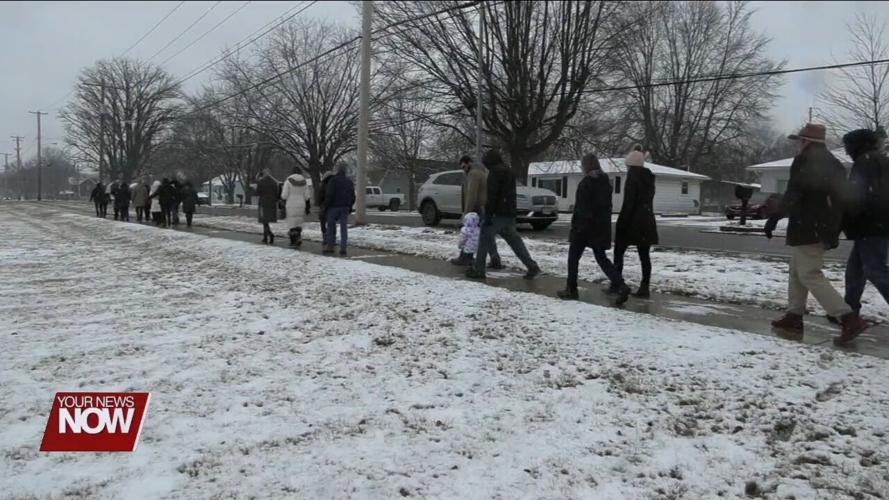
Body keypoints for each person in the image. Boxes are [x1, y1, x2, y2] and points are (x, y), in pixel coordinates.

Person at [764, 123, 867, 340]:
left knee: (809, 273)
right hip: (823, 226)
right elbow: (840, 198)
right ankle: (794, 315)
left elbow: (795, 192)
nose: (797, 145)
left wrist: (775, 216)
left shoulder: (806, 160)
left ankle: (848, 318)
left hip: (808, 226)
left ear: (806, 142)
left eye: (799, 141)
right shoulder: (835, 164)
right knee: (796, 271)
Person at [833, 128, 889, 345]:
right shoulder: (882, 160)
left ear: (856, 145)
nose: (846, 151)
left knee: (875, 271)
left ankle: (851, 318)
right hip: (877, 225)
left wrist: (842, 221)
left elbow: (856, 197)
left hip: (871, 226)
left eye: (848, 146)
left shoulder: (865, 162)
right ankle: (850, 319)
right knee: (854, 272)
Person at [557, 153, 631, 304]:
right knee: (601, 258)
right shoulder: (605, 182)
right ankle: (621, 285)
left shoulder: (586, 184)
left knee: (573, 258)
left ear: (586, 166)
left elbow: (583, 209)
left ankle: (571, 288)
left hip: (584, 228)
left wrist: (578, 226)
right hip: (600, 226)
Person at [466, 149, 541, 280]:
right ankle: (532, 266)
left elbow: (493, 195)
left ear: (490, 161)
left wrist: (489, 214)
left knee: (484, 236)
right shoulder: (509, 171)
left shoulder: (495, 173)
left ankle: (479, 269)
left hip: (498, 213)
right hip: (509, 212)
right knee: (514, 240)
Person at [614, 145, 658, 298]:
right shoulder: (649, 178)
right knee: (644, 255)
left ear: (630, 165)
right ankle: (645, 286)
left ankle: (617, 283)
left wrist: (621, 223)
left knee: (619, 250)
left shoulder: (632, 177)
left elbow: (629, 202)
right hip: (647, 221)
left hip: (632, 222)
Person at [450, 155, 501, 267]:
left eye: (464, 166)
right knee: (486, 234)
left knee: (469, 233)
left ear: (468, 163)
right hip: (485, 207)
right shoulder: (484, 172)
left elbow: (471, 194)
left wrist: (466, 212)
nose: (463, 169)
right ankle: (495, 259)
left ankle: (465, 257)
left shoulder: (474, 174)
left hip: (477, 208)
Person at [323, 165, 355, 255]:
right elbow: (353, 196)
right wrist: (349, 206)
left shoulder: (333, 181)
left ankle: (330, 246)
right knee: (343, 228)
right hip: (345, 207)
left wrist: (326, 206)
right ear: (345, 171)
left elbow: (329, 195)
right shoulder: (349, 182)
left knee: (331, 227)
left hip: (333, 207)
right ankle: (343, 248)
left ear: (337, 171)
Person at [281, 167, 309, 247]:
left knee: (292, 223)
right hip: (301, 203)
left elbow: (284, 195)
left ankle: (293, 241)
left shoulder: (288, 181)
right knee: (298, 222)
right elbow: (307, 196)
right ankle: (298, 237)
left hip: (291, 204)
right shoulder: (304, 182)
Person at [256, 168, 279, 244]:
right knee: (266, 221)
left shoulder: (261, 182)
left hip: (263, 203)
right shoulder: (274, 182)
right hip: (272, 203)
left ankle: (269, 235)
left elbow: (258, 192)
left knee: (264, 221)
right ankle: (266, 237)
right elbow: (277, 193)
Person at [317, 172, 334, 236]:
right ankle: (331, 236)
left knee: (322, 220)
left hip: (324, 204)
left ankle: (324, 234)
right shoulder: (334, 183)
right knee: (331, 221)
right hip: (333, 205)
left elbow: (320, 195)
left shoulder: (323, 184)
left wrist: (319, 204)